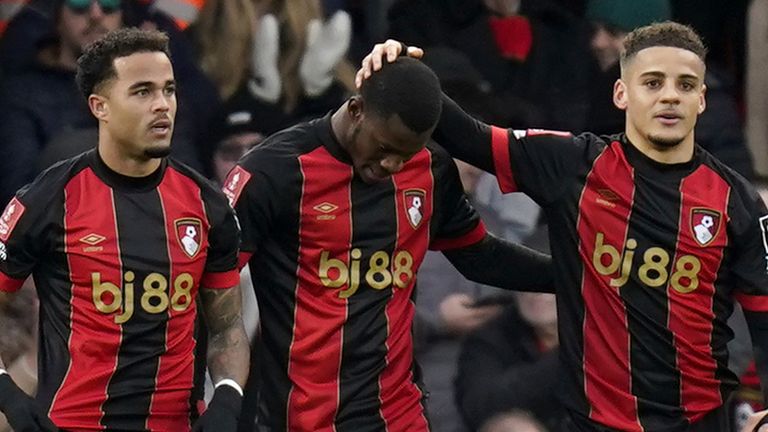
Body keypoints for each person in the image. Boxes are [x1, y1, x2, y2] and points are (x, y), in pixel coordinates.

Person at [359, 21, 768, 432]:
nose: (669, 96)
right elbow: (468, 136)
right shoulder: (573, 164)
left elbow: (764, 322)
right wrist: (398, 70)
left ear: (701, 99)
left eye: (685, 85)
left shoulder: (739, 202)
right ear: (621, 93)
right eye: (652, 82)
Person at [225, 56, 553, 431]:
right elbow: (212, 283)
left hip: (398, 414)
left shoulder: (431, 169)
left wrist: (568, 273)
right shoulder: (273, 173)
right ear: (356, 109)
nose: (392, 164)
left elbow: (478, 254)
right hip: (301, 419)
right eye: (384, 147)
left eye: (406, 154)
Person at [0, 28, 249, 432]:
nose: (162, 105)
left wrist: (227, 396)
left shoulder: (207, 204)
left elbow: (226, 326)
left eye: (168, 90)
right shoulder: (46, 201)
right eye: (143, 92)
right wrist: (7, 392)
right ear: (100, 106)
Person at [455, 291, 563, 431]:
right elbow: (478, 405)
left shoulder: (595, 333)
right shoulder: (491, 336)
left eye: (549, 284)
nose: (536, 292)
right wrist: (567, 361)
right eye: (527, 281)